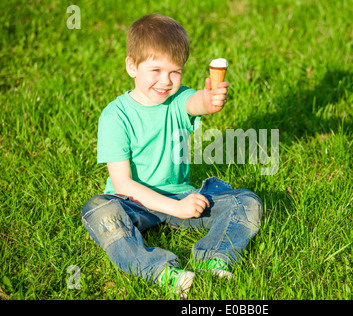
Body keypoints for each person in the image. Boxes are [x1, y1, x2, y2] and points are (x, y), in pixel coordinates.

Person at [81, 13, 263, 299]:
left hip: (180, 195)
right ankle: (161, 272)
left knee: (246, 201)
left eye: (175, 72)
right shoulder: (115, 116)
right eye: (155, 70)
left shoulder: (177, 100)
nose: (165, 81)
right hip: (132, 203)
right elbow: (123, 185)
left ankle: (215, 258)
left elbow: (196, 102)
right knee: (99, 211)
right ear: (132, 66)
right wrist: (174, 209)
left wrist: (210, 99)